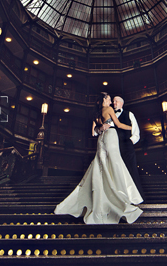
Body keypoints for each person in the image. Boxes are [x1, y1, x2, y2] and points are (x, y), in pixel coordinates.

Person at [54, 92, 143, 224]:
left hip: (101, 139)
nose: (111, 101)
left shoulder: (96, 113)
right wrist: (131, 128)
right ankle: (120, 195)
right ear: (105, 100)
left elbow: (93, 132)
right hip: (111, 136)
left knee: (101, 165)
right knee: (115, 163)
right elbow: (118, 125)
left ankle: (102, 194)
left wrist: (101, 127)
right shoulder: (109, 109)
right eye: (109, 99)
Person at [99, 96, 144, 198]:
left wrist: (130, 141)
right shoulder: (108, 113)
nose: (114, 103)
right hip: (112, 146)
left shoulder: (129, 114)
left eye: (116, 101)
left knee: (131, 170)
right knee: (115, 171)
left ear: (121, 103)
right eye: (113, 101)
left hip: (126, 146)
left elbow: (136, 130)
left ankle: (136, 197)